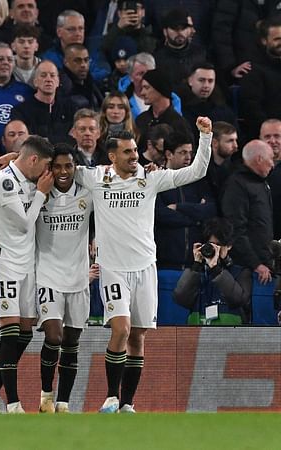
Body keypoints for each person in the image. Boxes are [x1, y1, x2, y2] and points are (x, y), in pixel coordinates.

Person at [74, 117, 212, 414]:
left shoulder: (150, 178)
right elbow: (58, 170)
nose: (134, 156)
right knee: (121, 329)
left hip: (145, 267)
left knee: (137, 336)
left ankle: (127, 403)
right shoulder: (96, 177)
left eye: (135, 150)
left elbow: (197, 170)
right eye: (127, 152)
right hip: (112, 268)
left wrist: (206, 136)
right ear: (112, 156)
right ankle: (111, 397)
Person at [0, 135, 53, 414]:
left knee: (25, 331)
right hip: (3, 262)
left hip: (26, 263)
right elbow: (23, 223)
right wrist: (42, 193)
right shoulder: (3, 182)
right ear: (33, 159)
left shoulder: (26, 177)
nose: (46, 173)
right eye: (44, 166)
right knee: (8, 334)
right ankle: (13, 404)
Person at [33, 144, 93, 413]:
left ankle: (63, 402)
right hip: (47, 275)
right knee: (54, 337)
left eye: (68, 166)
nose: (63, 171)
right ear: (50, 168)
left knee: (71, 342)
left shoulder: (88, 194)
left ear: (75, 167)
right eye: (57, 166)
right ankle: (46, 394)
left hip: (79, 277)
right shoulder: (40, 195)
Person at [173, 218, 252, 325]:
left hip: (231, 335)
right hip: (197, 333)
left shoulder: (241, 272)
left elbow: (238, 300)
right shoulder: (198, 273)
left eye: (218, 245)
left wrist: (216, 269)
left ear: (229, 246)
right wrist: (196, 266)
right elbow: (181, 299)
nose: (215, 249)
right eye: (211, 244)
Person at [155, 132, 217, 269]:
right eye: (183, 152)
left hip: (195, 264)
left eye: (190, 152)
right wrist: (196, 218)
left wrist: (179, 207)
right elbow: (159, 215)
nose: (189, 157)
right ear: (168, 154)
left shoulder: (199, 181)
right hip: (165, 264)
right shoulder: (156, 180)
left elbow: (210, 210)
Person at [221, 140, 275, 286]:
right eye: (271, 158)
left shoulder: (261, 183)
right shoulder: (237, 185)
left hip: (262, 266)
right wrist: (256, 264)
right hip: (245, 269)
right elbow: (236, 229)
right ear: (259, 159)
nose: (273, 164)